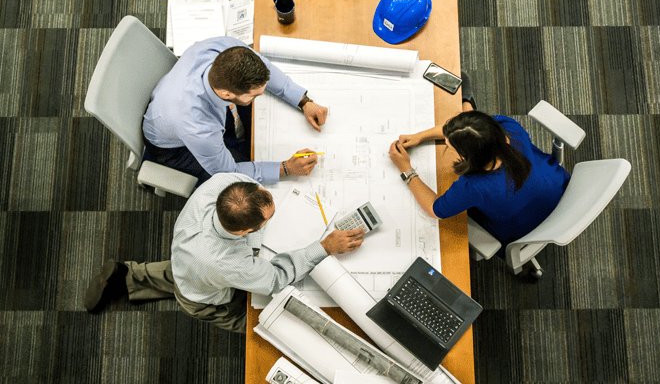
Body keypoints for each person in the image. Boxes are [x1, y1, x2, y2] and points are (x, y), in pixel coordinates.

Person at [84, 173, 365, 333]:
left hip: (187, 257)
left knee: (182, 272)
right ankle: (266, 329)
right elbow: (276, 279)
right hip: (203, 295)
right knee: (257, 322)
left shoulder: (224, 184)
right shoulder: (227, 263)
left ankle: (127, 275)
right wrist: (324, 247)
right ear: (245, 232)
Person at [388, 102, 570, 258]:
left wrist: (406, 169)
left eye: (450, 146)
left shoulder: (474, 186)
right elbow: (470, 127)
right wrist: (420, 136)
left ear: (470, 158)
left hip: (522, 229)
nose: (445, 143)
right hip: (557, 188)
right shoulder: (509, 127)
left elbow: (436, 209)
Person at [142, 36, 330, 186]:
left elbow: (266, 68)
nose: (258, 97)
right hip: (173, 149)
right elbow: (228, 172)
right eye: (254, 96)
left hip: (179, 104)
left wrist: (303, 101)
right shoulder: (197, 126)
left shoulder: (224, 48)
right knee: (244, 185)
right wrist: (286, 168)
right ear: (226, 93)